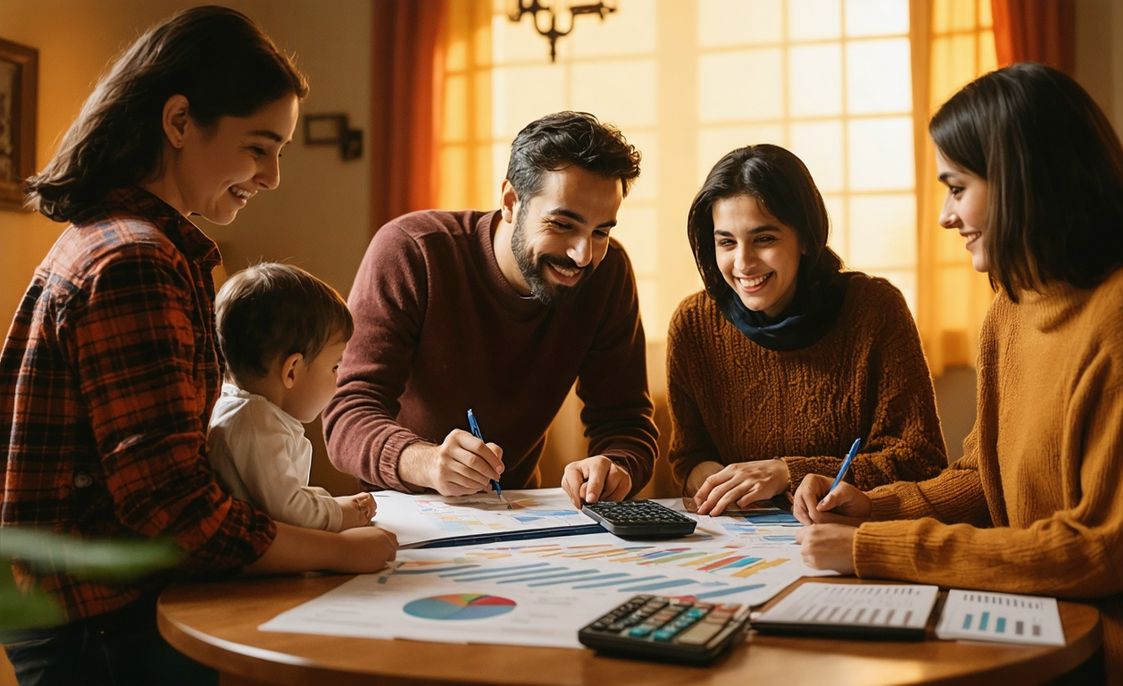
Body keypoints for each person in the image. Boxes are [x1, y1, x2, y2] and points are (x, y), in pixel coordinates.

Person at [0, 7, 396, 685]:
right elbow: (172, 507)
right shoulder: (133, 260)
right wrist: (339, 552)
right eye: (258, 146)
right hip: (100, 621)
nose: (272, 176)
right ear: (179, 121)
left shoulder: (125, 241)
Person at [792, 63, 1123, 683]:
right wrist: (873, 507)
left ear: (1020, 182)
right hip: (1035, 612)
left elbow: (1100, 550)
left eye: (956, 188)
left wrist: (875, 549)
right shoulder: (1009, 310)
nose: (945, 217)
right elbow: (985, 479)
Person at [324, 111, 658, 508]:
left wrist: (616, 465)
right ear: (511, 202)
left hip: (515, 511)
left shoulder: (608, 274)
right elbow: (348, 412)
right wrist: (427, 463)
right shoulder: (411, 251)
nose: (583, 254)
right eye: (563, 225)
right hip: (403, 510)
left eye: (601, 231)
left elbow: (626, 421)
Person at [668, 144, 946, 516]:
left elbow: (921, 462)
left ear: (805, 238)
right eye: (726, 242)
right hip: (742, 540)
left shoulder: (874, 310)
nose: (743, 263)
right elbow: (690, 457)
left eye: (764, 239)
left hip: (849, 537)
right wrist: (718, 482)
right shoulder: (693, 324)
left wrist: (787, 472)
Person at [208, 262, 377, 532]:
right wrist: (342, 514)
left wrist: (329, 501)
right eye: (334, 366)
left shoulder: (253, 413)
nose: (338, 377)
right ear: (292, 371)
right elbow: (287, 512)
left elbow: (285, 495)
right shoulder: (255, 424)